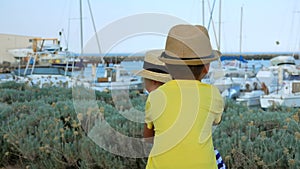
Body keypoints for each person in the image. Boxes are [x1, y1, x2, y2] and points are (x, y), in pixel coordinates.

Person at [144, 24, 224, 169]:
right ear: (206, 68)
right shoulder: (213, 95)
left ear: (167, 65)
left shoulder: (155, 96)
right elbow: (215, 121)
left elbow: (148, 137)